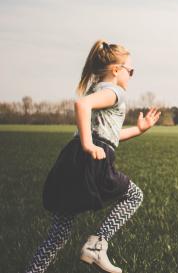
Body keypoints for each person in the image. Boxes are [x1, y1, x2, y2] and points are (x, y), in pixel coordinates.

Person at [24, 40, 161, 273]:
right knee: (134, 196)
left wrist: (138, 130)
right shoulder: (114, 92)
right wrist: (89, 145)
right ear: (116, 70)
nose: (131, 76)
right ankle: (97, 245)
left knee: (59, 232)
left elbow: (107, 135)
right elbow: (82, 106)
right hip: (93, 159)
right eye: (131, 71)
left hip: (73, 158)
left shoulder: (96, 89)